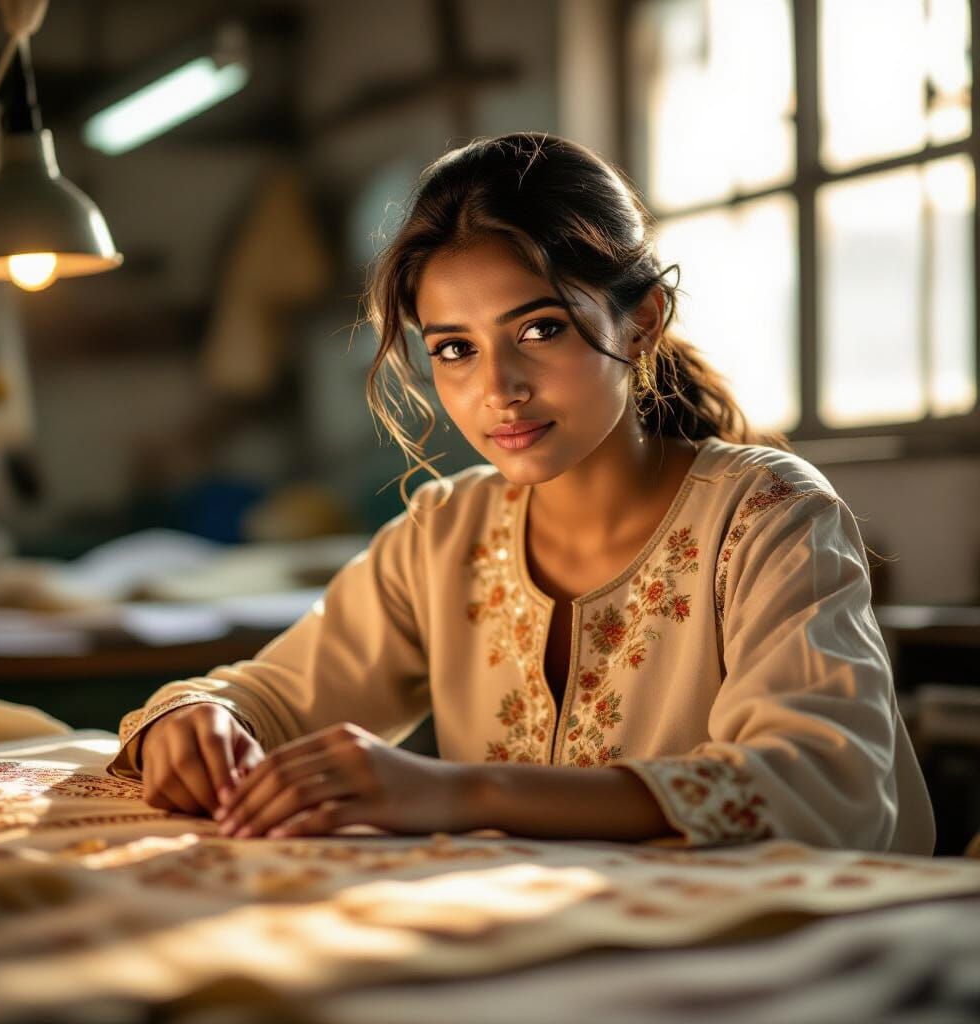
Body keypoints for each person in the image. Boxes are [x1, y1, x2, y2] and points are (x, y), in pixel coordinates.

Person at [108, 132, 935, 852]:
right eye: (455, 349)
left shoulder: (767, 516)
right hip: (545, 950)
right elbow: (270, 694)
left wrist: (463, 792)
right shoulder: (446, 534)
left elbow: (825, 789)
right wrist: (201, 722)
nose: (498, 389)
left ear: (642, 322)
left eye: (540, 329)